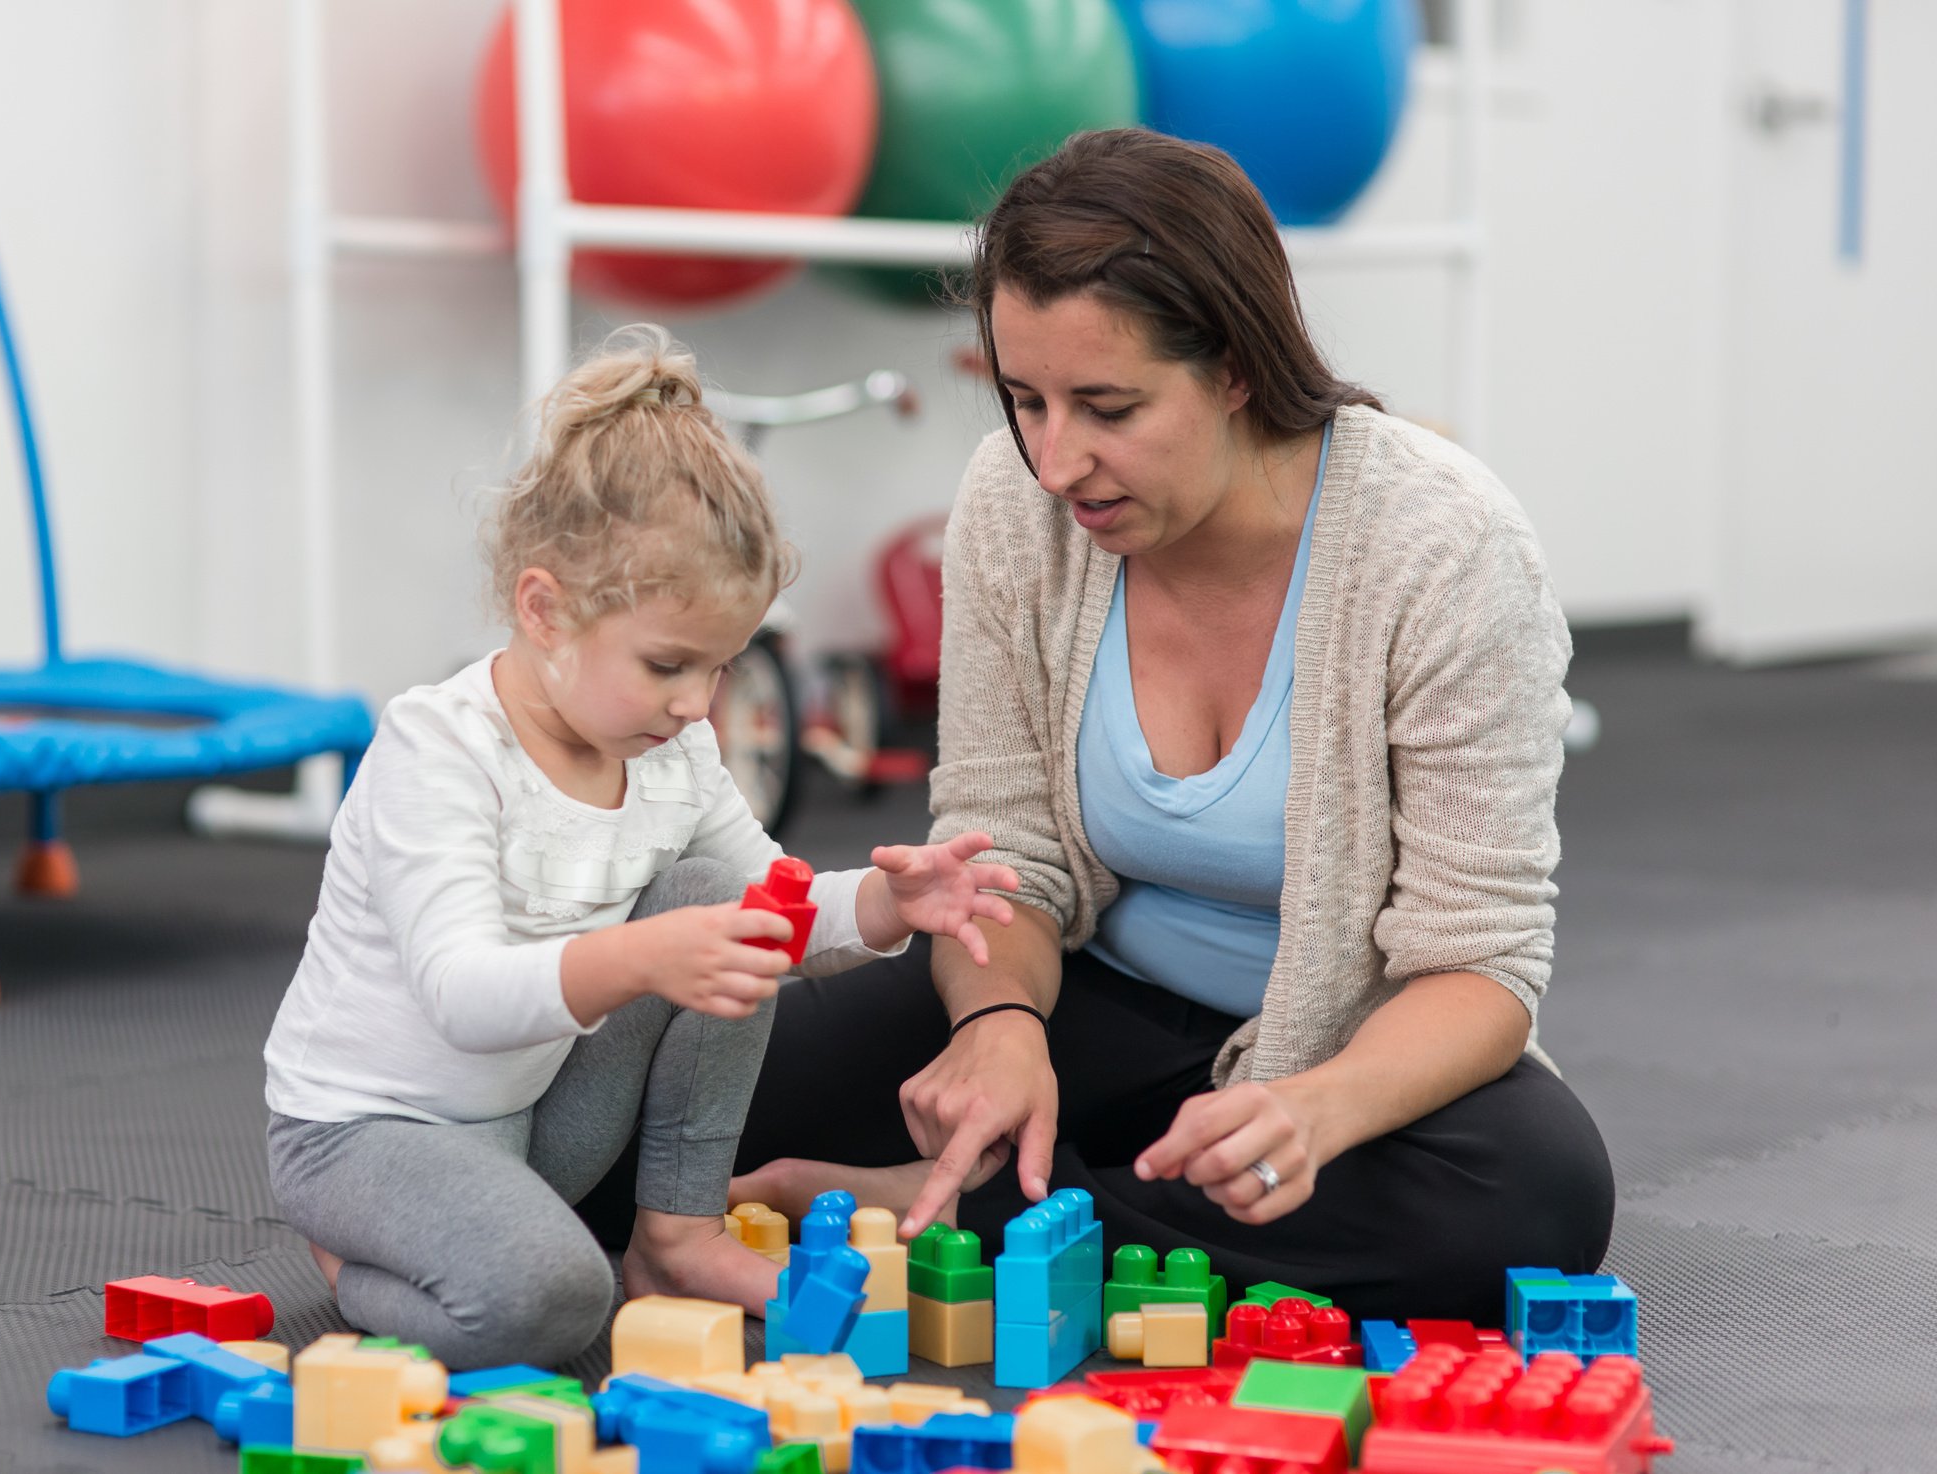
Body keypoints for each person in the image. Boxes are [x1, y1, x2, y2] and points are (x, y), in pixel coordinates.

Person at [732, 130, 1615, 1325]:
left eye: (1108, 406)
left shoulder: (1448, 548)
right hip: (1088, 1000)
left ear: (1240, 366)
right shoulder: (1014, 501)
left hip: (1338, 1038)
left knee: (1534, 1196)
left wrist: (1318, 1109)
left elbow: (1481, 957)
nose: (1055, 461)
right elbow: (1001, 855)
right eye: (1025, 400)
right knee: (697, 1080)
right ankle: (1072, 1197)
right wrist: (996, 1028)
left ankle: (968, 1219)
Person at [261, 325, 1021, 1369]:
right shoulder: (435, 748)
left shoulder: (671, 751)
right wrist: (646, 958)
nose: (695, 703)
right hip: (365, 1134)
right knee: (554, 1302)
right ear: (546, 610)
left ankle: (677, 1238)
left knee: (722, 896)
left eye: (718, 667)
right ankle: (357, 1265)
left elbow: (774, 898)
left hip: (527, 1121)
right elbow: (460, 992)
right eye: (669, 664)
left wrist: (892, 906)